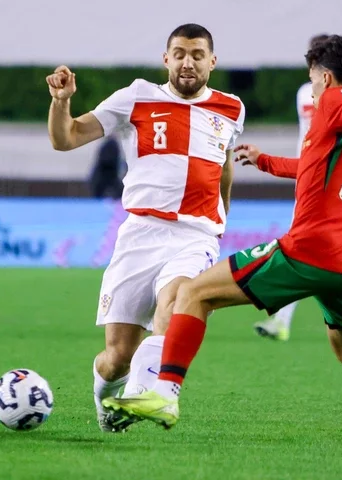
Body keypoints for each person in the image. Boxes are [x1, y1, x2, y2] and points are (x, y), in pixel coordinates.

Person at [103, 35, 342, 453]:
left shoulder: (335, 99)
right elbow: (315, 166)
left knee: (192, 293)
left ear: (324, 75)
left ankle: (165, 396)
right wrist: (266, 161)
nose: (313, 86)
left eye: (312, 78)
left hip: (313, 247)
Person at [46, 23, 245, 432]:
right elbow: (65, 139)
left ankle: (143, 394)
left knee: (177, 299)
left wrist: (222, 217)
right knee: (116, 356)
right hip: (139, 235)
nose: (188, 62)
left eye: (197, 54)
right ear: (166, 58)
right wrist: (60, 102)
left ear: (212, 61)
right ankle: (109, 399)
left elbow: (224, 166)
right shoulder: (136, 97)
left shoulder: (231, 108)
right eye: (180, 53)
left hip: (195, 235)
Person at [254, 34, 342, 343]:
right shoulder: (307, 92)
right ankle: (282, 321)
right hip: (314, 179)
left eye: (315, 65)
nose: (311, 72)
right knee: (303, 246)